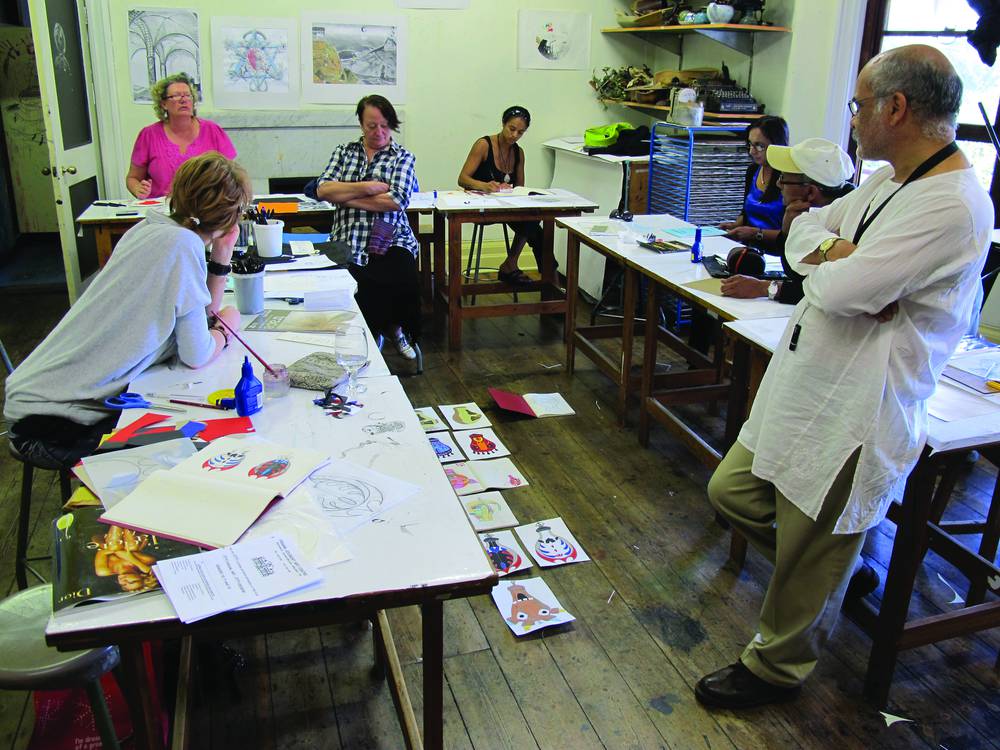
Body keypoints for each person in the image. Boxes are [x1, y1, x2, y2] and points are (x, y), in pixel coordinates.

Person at [697, 44, 993, 710]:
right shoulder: (889, 180)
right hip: (808, 386)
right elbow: (806, 231)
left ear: (896, 107)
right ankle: (841, 570)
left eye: (859, 105)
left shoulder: (950, 205)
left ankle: (776, 667)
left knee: (811, 544)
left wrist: (833, 264)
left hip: (859, 405)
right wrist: (831, 250)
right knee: (734, 492)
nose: (853, 117)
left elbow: (843, 291)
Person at [5, 152, 250, 467]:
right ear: (230, 216)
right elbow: (196, 354)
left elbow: (199, 316)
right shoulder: (181, 246)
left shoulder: (150, 229)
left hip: (35, 397)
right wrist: (226, 329)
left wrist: (222, 254)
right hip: (53, 423)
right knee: (202, 448)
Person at [317, 94, 420, 360]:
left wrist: (347, 195)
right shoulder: (344, 151)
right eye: (371, 126)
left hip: (392, 236)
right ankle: (367, 332)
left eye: (384, 125)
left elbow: (396, 200)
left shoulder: (403, 157)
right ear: (361, 124)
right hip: (346, 236)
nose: (379, 132)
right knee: (352, 278)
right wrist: (369, 187)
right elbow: (324, 189)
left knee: (401, 273)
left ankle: (395, 329)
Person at [721, 137, 855, 304]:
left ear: (811, 193)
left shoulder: (845, 226)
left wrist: (765, 288)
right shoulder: (800, 214)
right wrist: (787, 230)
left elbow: (820, 290)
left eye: (783, 178)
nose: (778, 184)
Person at [457, 106, 545, 286]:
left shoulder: (518, 153)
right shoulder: (484, 145)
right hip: (480, 208)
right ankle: (514, 267)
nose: (514, 135)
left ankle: (543, 276)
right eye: (511, 129)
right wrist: (484, 185)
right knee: (534, 227)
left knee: (535, 222)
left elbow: (520, 187)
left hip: (506, 206)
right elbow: (462, 178)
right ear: (503, 124)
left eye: (520, 132)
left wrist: (516, 192)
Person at [127, 73, 237, 199]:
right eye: (176, 96)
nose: (183, 100)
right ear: (163, 104)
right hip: (162, 209)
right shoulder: (148, 135)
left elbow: (232, 175)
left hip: (205, 207)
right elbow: (133, 178)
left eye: (187, 95)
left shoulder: (213, 131)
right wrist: (138, 189)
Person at [720, 115, 790, 250]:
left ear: (777, 144)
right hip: (749, 248)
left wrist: (755, 233)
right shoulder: (753, 170)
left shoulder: (789, 178)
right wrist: (735, 225)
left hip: (777, 254)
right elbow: (746, 212)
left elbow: (790, 235)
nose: (752, 151)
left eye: (759, 146)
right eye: (750, 144)